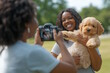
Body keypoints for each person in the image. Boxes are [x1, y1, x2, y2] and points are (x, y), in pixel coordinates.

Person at [0, 0, 77, 73]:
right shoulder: (32, 52)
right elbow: (71, 69)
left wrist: (37, 45)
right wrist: (61, 43)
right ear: (27, 23)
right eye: (34, 17)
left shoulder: (4, 48)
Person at [51, 8, 102, 73]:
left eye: (70, 18)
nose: (67, 21)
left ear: (76, 19)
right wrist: (67, 62)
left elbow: (97, 67)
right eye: (63, 20)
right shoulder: (61, 40)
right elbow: (51, 65)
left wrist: (87, 45)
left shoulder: (89, 37)